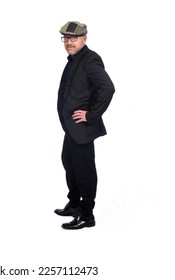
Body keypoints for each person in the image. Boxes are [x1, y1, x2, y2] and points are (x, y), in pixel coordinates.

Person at [54, 21, 115, 230]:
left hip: (82, 129)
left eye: (73, 38)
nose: (69, 42)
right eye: (66, 38)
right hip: (71, 128)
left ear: (84, 39)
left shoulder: (90, 60)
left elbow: (108, 88)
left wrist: (91, 115)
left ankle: (87, 215)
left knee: (84, 171)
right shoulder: (73, 59)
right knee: (69, 164)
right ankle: (74, 204)